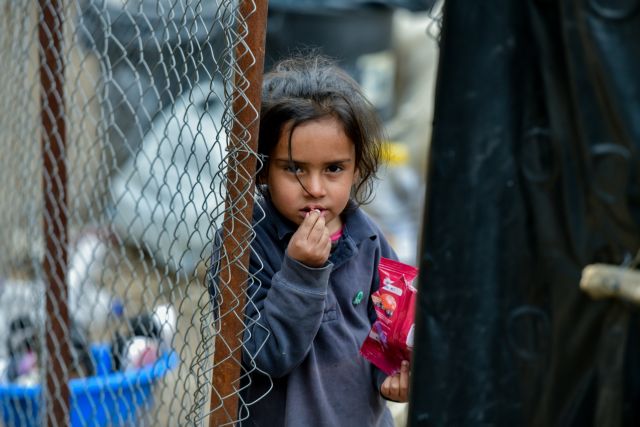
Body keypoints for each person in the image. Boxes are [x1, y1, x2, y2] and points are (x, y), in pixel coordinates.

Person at [211, 54, 411, 426]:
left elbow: (389, 340)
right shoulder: (244, 243)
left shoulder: (369, 239)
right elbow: (265, 356)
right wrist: (301, 271)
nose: (315, 189)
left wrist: (390, 380)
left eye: (334, 168)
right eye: (294, 168)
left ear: (357, 167)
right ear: (263, 167)